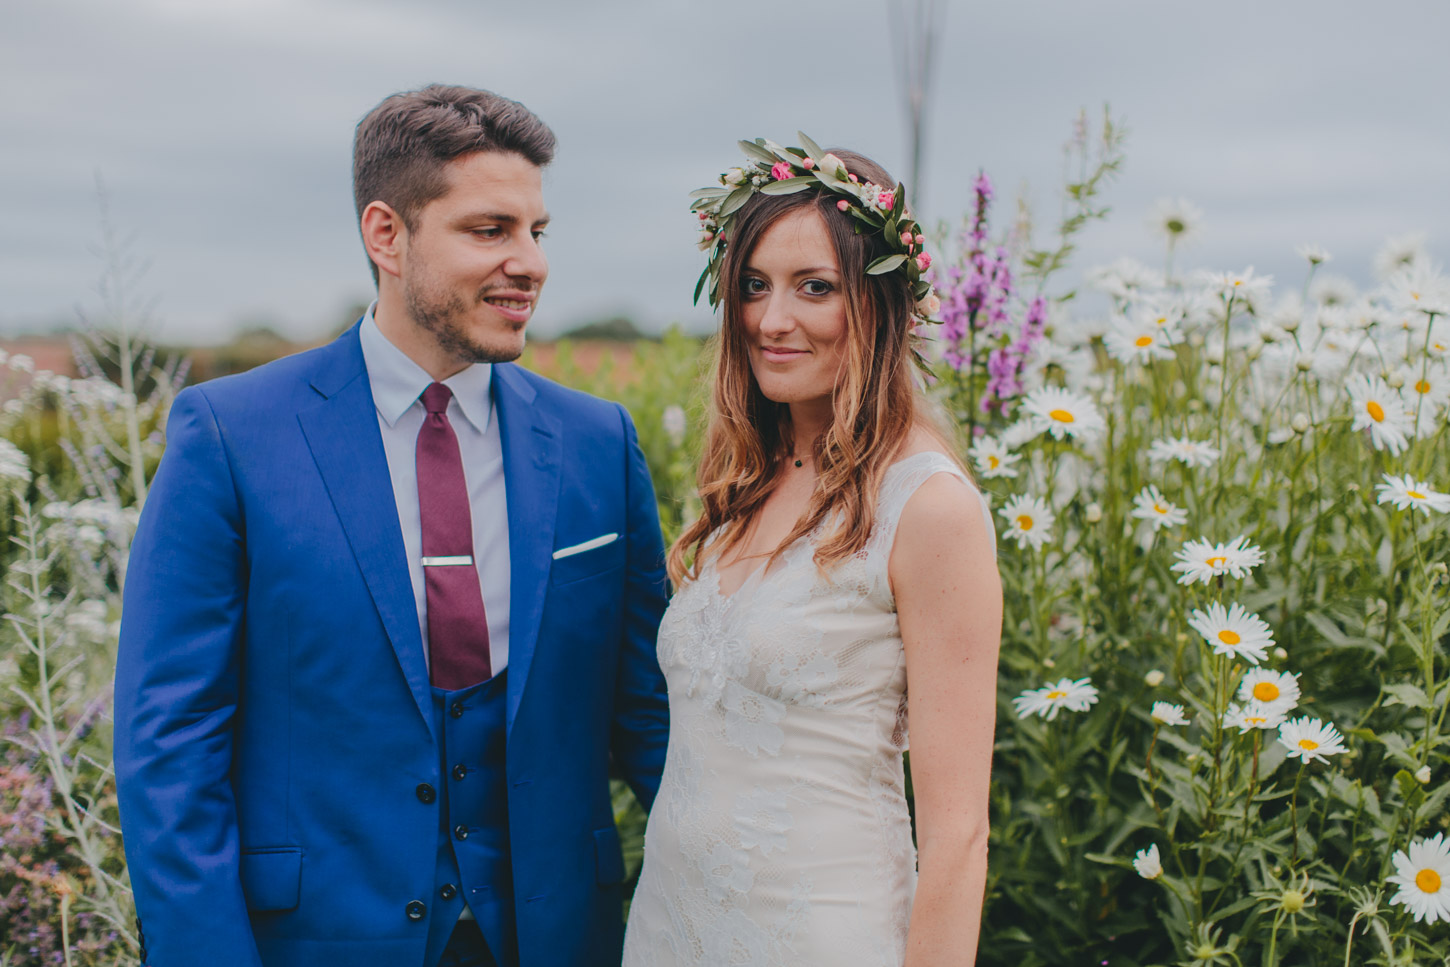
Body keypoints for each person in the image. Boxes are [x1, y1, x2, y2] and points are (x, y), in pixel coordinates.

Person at [113, 85, 670, 967]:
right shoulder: (230, 434)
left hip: (558, 936)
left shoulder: (598, 443)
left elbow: (651, 712)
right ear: (387, 235)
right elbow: (169, 743)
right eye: (490, 230)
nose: (529, 262)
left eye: (537, 231)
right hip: (315, 939)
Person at [621, 140, 1002, 966]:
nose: (770, 318)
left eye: (814, 287)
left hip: (822, 935)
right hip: (671, 930)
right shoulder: (743, 486)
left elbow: (959, 836)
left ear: (881, 304)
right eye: (753, 285)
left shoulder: (927, 508)